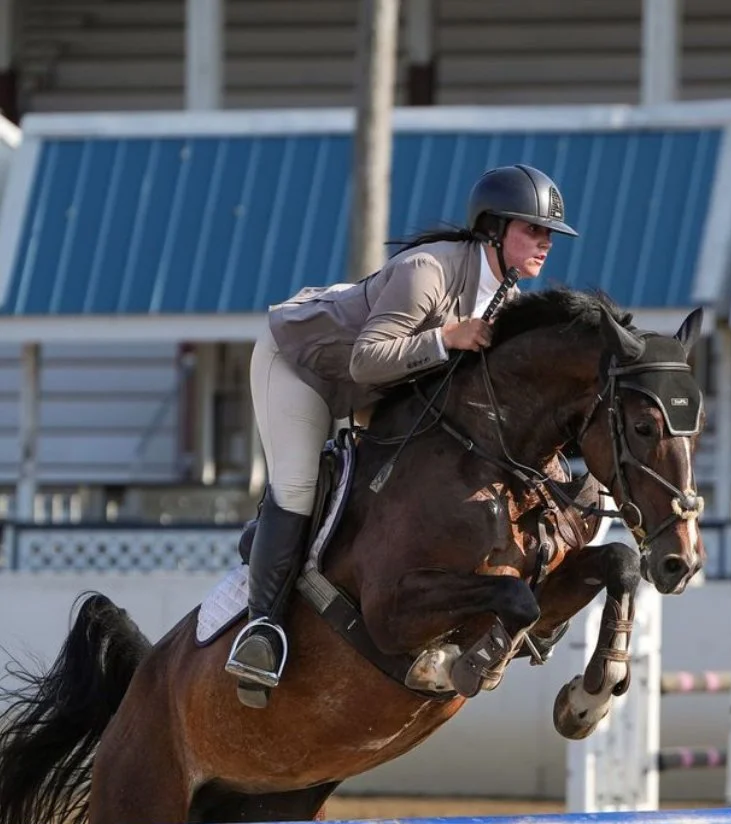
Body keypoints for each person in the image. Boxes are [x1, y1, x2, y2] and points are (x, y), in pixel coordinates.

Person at [224, 163, 578, 708]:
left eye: (549, 233)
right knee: (296, 485)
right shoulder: (426, 270)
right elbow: (367, 361)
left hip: (377, 385)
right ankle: (262, 630)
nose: (546, 242)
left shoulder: (503, 297)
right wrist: (446, 337)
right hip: (302, 365)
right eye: (534, 229)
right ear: (495, 228)